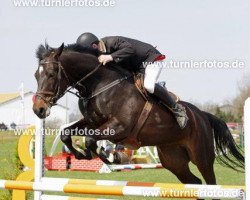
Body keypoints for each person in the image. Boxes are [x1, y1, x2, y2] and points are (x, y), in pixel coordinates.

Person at [76, 33, 188, 128]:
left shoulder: (112, 41)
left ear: (94, 45)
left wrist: (110, 57)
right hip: (136, 67)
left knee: (148, 85)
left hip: (150, 59)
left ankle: (177, 109)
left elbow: (130, 49)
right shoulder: (100, 53)